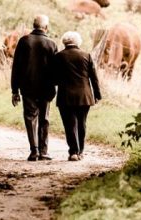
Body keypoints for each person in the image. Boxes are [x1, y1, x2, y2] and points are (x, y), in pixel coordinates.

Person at [10, 14, 58, 161]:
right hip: (46, 88)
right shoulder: (51, 44)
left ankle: (34, 151)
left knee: (30, 118)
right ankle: (44, 152)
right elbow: (56, 69)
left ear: (33, 25)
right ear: (46, 27)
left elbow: (16, 67)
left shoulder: (24, 41)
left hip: (28, 88)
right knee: (44, 118)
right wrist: (55, 85)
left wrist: (15, 90)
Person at [51, 31, 102, 161]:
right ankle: (80, 151)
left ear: (64, 42)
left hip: (65, 96)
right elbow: (94, 78)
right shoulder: (86, 56)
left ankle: (73, 151)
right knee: (82, 123)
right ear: (78, 42)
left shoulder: (58, 56)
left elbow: (54, 78)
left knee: (69, 124)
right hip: (84, 96)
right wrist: (97, 94)